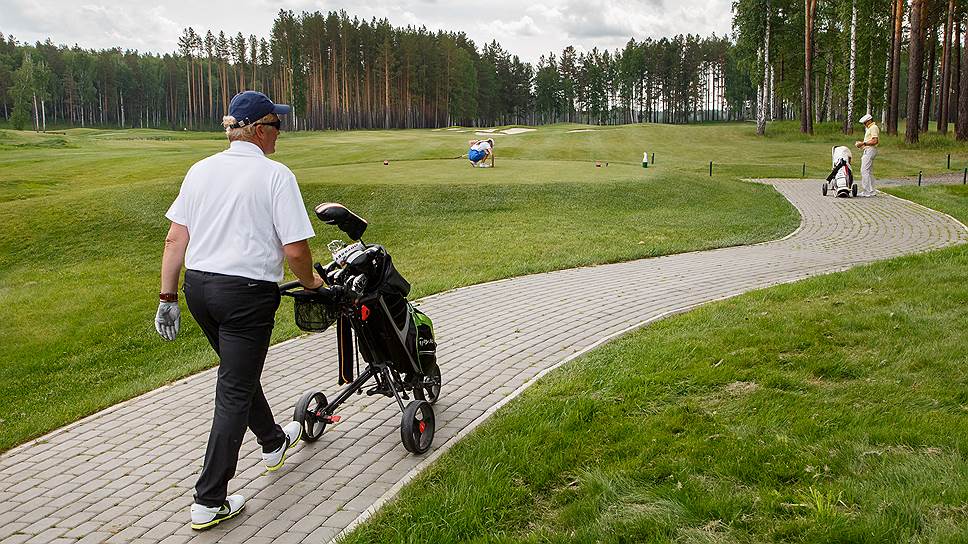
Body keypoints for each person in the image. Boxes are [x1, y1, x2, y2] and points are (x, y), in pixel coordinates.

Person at [155, 90, 324, 530]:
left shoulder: (200, 170)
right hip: (246, 296)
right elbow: (295, 249)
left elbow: (176, 239)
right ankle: (209, 499)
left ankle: (272, 443)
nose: (280, 136)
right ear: (260, 129)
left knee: (238, 374)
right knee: (233, 389)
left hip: (199, 292)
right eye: (277, 127)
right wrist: (313, 284)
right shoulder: (275, 175)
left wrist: (167, 297)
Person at [854, 113, 879, 197]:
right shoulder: (870, 128)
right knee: (869, 171)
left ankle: (867, 191)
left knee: (864, 170)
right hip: (868, 150)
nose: (864, 124)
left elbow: (875, 141)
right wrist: (861, 144)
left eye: (865, 122)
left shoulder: (873, 128)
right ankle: (872, 190)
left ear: (869, 121)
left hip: (870, 150)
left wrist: (863, 143)